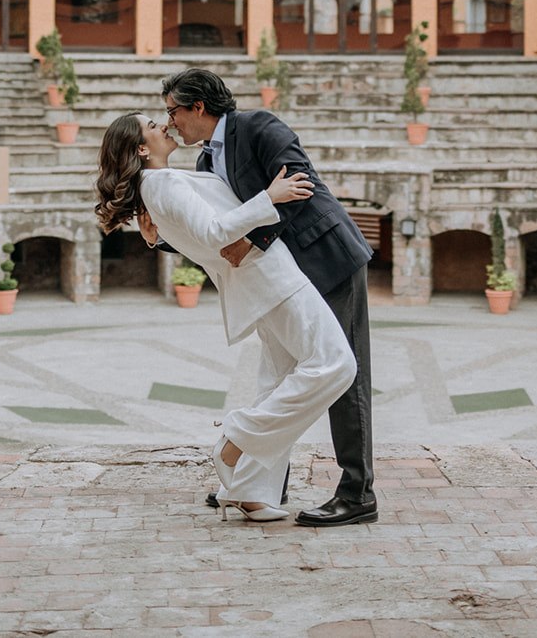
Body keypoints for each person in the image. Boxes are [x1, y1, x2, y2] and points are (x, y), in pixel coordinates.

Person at [94, 113, 356, 522]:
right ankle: (237, 438)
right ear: (141, 149)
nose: (164, 124)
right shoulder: (160, 184)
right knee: (337, 364)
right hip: (271, 278)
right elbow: (215, 232)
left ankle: (248, 489)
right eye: (151, 124)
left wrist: (157, 237)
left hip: (258, 283)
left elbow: (197, 229)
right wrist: (272, 196)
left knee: (278, 383)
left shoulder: (158, 186)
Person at [161, 68, 378, 528]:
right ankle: (260, 484)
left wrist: (253, 242)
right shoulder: (204, 163)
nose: (171, 122)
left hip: (326, 259)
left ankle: (357, 494)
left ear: (198, 106)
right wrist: (157, 237)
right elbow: (218, 224)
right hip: (281, 280)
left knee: (343, 374)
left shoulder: (259, 126)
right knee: (278, 379)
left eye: (173, 111)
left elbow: (299, 184)